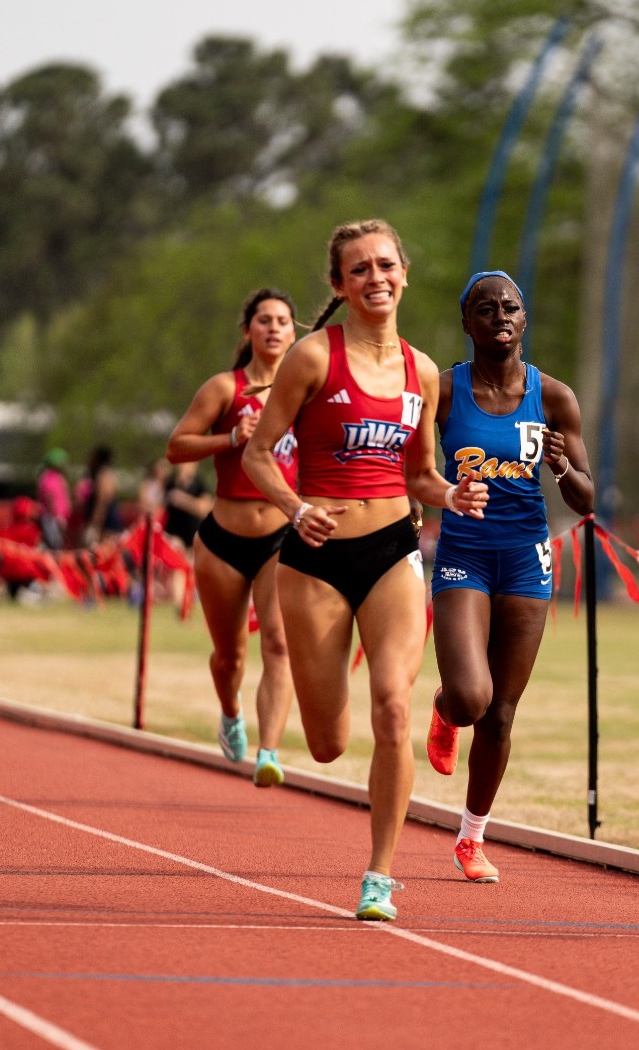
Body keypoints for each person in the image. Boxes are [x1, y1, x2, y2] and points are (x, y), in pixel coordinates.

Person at [242, 219, 487, 921]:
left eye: (386, 265)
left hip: (390, 551)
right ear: (339, 286)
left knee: (394, 704)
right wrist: (294, 508)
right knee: (326, 742)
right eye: (360, 270)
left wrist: (453, 496)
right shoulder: (313, 358)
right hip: (315, 560)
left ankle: (379, 874)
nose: (375, 278)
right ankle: (318, 737)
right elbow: (261, 454)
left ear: (405, 273)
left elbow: (423, 476)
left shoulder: (425, 372)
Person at [424, 270, 595, 884]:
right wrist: (444, 495)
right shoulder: (444, 391)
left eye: (512, 307)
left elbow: (586, 498)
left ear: (525, 320)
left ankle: (471, 837)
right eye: (486, 307)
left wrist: (562, 468)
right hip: (463, 553)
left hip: (526, 558)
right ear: (465, 321)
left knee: (500, 713)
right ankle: (445, 710)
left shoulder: (554, 398)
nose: (501, 315)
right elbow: (414, 469)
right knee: (471, 698)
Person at [167, 287, 303, 783]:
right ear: (248, 331)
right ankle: (230, 713)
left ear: (294, 332)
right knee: (230, 657)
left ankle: (269, 753)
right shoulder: (225, 389)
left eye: (283, 321)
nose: (273, 328)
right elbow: (176, 447)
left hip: (280, 538)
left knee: (280, 643)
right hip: (223, 539)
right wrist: (229, 437)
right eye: (263, 320)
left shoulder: (304, 391)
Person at [72, 446, 122, 548]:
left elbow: (102, 503)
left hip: (106, 525)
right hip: (105, 523)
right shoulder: (105, 475)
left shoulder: (103, 476)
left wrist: (94, 526)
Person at [163, 460, 211, 550]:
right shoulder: (170, 484)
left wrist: (183, 501)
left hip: (191, 538)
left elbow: (204, 508)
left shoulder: (199, 486)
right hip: (172, 535)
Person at [37, 449, 72, 549]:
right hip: (52, 518)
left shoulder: (57, 477)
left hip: (56, 518)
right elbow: (50, 498)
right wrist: (57, 516)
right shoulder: (50, 478)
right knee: (54, 544)